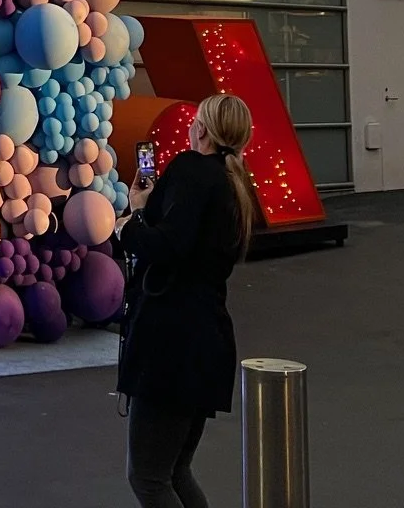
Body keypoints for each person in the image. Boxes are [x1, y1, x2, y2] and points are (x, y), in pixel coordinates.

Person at [117, 93, 257, 508]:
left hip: (171, 344)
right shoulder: (234, 185)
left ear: (201, 130)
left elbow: (168, 245)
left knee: (148, 477)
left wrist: (133, 220)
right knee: (174, 469)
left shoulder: (191, 170)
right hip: (206, 341)